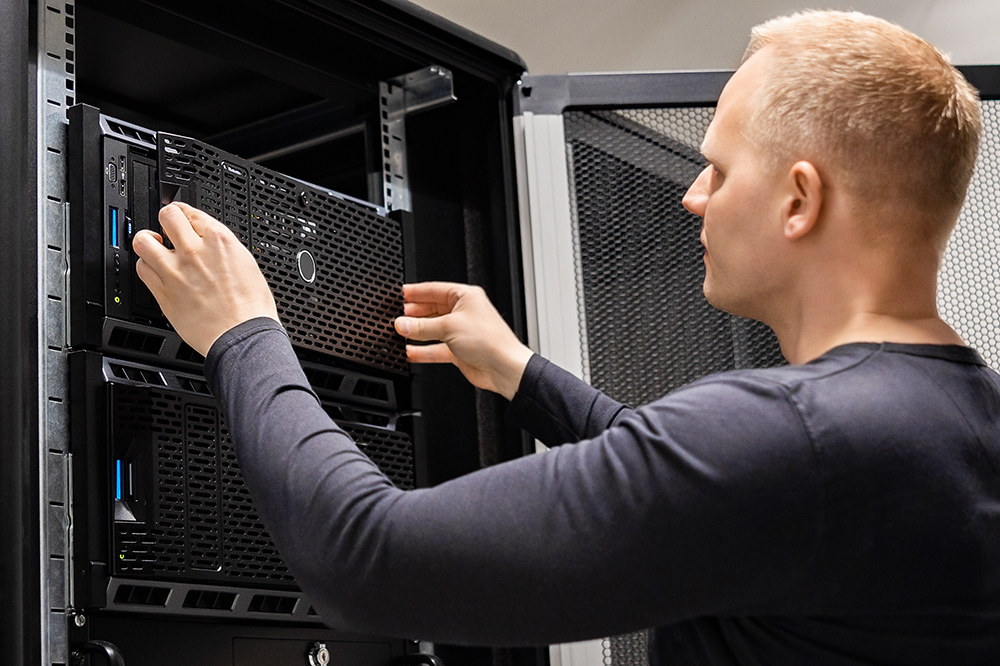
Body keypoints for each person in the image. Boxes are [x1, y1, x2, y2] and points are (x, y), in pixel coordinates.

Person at [132, 10, 1000, 665]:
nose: (694, 196)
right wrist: (520, 374)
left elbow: (364, 555)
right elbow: (710, 491)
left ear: (800, 201)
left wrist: (243, 331)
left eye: (720, 170)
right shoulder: (953, 418)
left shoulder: (798, 440)